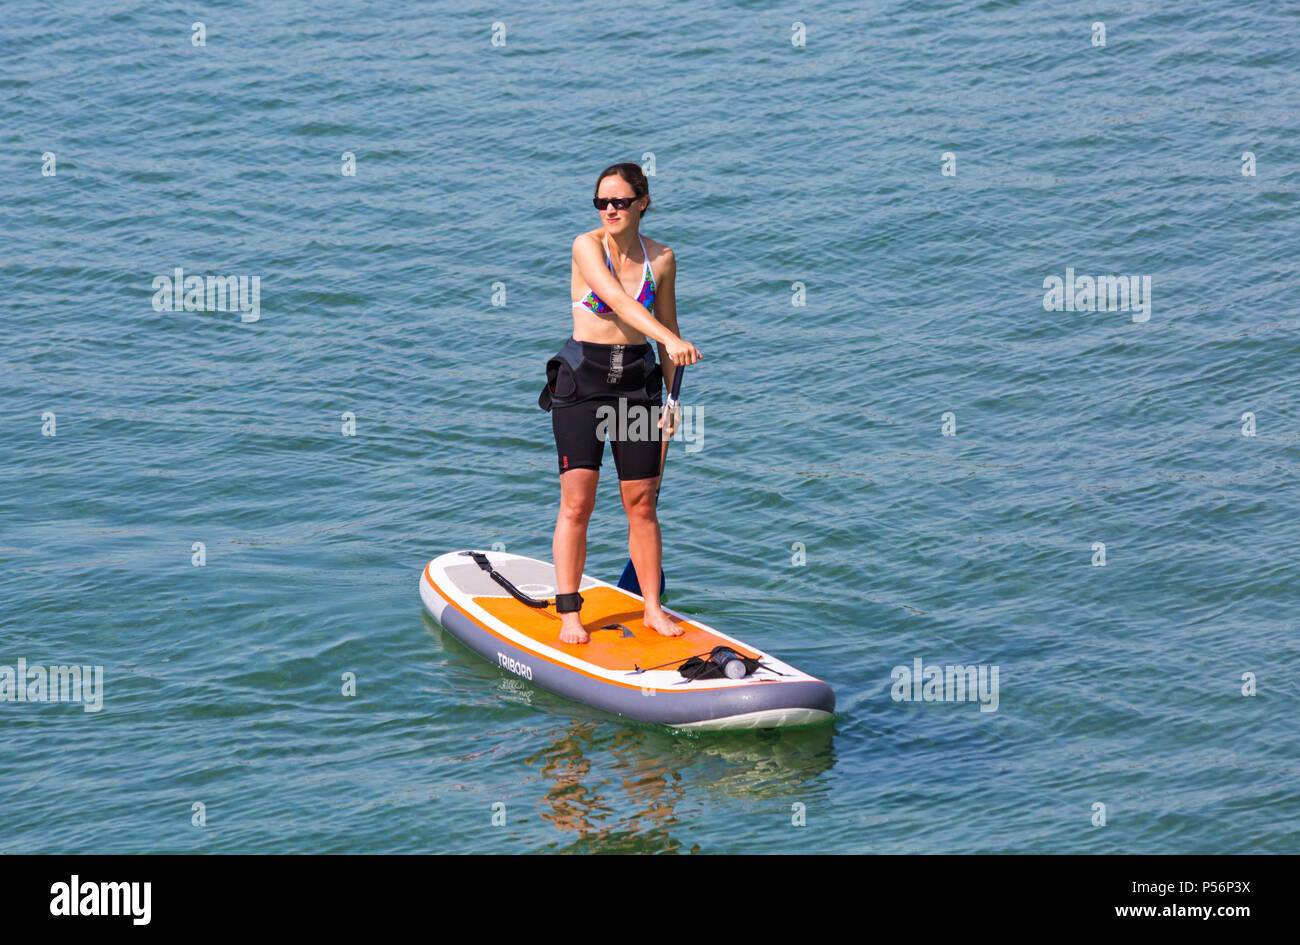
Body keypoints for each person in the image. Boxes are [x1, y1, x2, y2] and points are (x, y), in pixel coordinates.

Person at [537, 162, 702, 644]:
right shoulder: (586, 246)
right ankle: (570, 611)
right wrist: (671, 341)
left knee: (642, 502)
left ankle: (652, 607)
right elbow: (622, 304)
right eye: (602, 202)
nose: (610, 209)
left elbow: (666, 324)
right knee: (577, 502)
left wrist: (673, 400)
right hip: (583, 383)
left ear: (642, 203)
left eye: (620, 202)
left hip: (637, 385)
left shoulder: (663, 259)